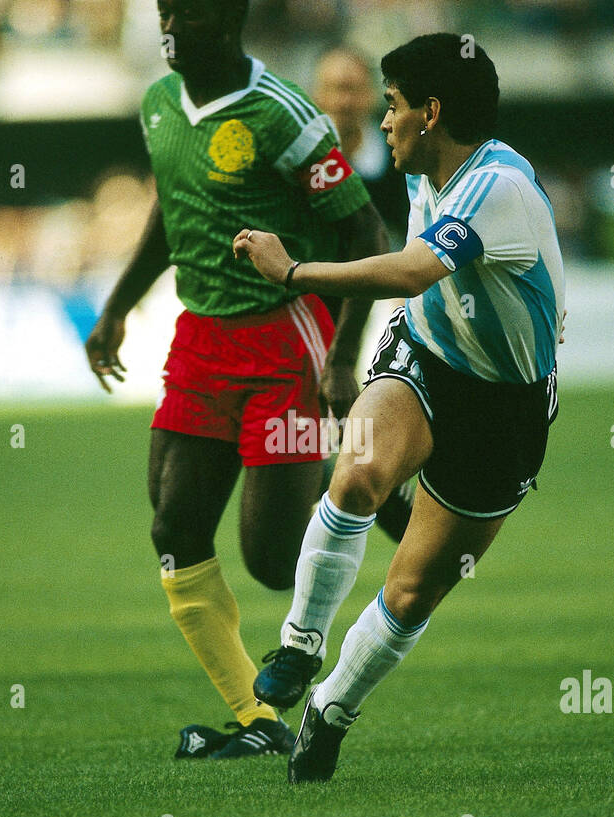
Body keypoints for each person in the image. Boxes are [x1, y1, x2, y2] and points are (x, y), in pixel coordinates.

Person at [234, 33, 566, 782]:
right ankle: (298, 641)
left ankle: (331, 708)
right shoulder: (430, 170)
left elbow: (415, 269)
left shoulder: (498, 185)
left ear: (432, 112)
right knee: (357, 472)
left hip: (505, 410)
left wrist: (292, 270)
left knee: (412, 590)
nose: (384, 122)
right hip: (426, 359)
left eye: (392, 106)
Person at [84, 0, 390, 759]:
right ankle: (258, 719)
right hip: (199, 340)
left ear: (228, 20)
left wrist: (343, 359)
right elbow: (171, 210)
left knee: (270, 558)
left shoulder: (283, 114)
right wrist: (117, 307)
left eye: (183, 14)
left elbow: (365, 232)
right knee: (174, 525)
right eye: (162, 12)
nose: (167, 27)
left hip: (281, 336)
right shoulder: (159, 104)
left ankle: (356, 476)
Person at [313, 46, 410, 249]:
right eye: (335, 89)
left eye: (353, 90)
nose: (344, 103)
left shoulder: (399, 158)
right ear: (316, 94)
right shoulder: (301, 158)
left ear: (371, 95)